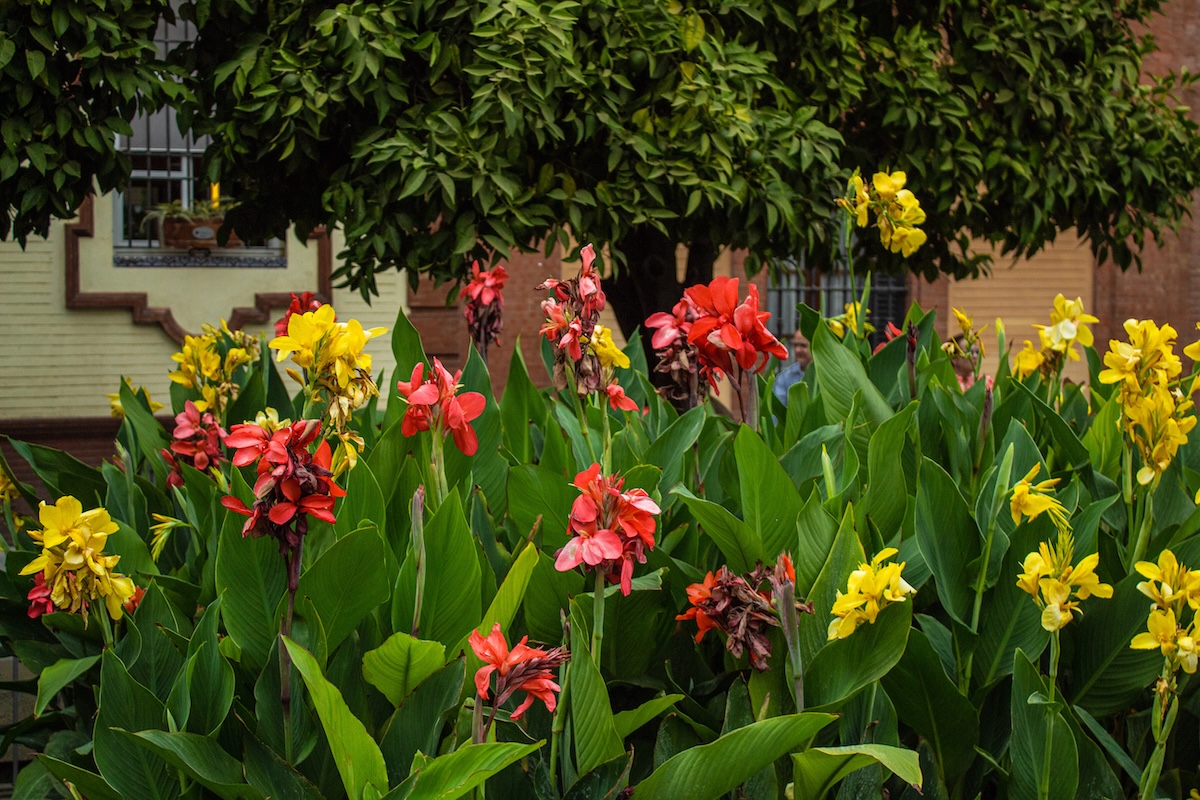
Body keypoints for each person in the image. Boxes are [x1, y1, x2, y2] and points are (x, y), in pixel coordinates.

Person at [773, 330, 811, 406]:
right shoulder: (784, 378)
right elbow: (777, 412)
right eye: (795, 345)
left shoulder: (825, 376)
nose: (797, 350)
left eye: (803, 346)